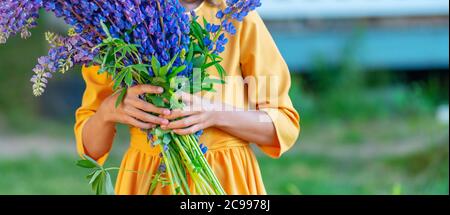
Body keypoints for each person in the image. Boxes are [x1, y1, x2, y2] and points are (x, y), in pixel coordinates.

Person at [75, 0, 300, 195]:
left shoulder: (236, 16)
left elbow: (281, 125)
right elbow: (91, 151)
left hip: (226, 177)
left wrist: (216, 114)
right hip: (147, 178)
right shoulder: (113, 22)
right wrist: (107, 111)